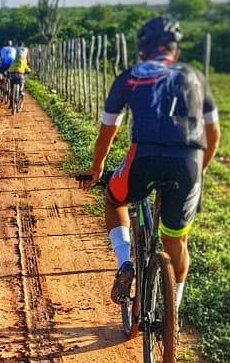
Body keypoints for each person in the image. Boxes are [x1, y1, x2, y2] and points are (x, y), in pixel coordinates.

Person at [78, 17, 220, 311]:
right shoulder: (194, 77)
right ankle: (173, 312)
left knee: (114, 199)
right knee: (176, 240)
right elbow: (213, 132)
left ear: (141, 51)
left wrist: (97, 169)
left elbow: (108, 131)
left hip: (143, 158)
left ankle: (125, 262)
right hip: (189, 162)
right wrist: (199, 173)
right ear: (175, 52)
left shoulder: (130, 77)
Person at [7, 41, 32, 109]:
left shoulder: (14, 61)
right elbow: (28, 62)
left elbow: (9, 69)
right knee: (22, 83)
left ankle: (11, 103)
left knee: (11, 89)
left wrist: (8, 72)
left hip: (13, 75)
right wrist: (29, 70)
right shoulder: (25, 52)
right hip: (21, 75)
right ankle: (21, 92)